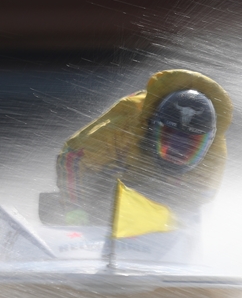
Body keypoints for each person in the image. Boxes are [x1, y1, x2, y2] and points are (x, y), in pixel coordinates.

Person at [53, 69, 232, 225]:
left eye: (190, 144)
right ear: (153, 127)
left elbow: (198, 202)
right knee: (103, 186)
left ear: (208, 142)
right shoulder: (125, 124)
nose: (177, 151)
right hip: (111, 182)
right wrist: (74, 208)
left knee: (181, 202)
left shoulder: (215, 154)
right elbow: (73, 157)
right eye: (170, 138)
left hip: (160, 196)